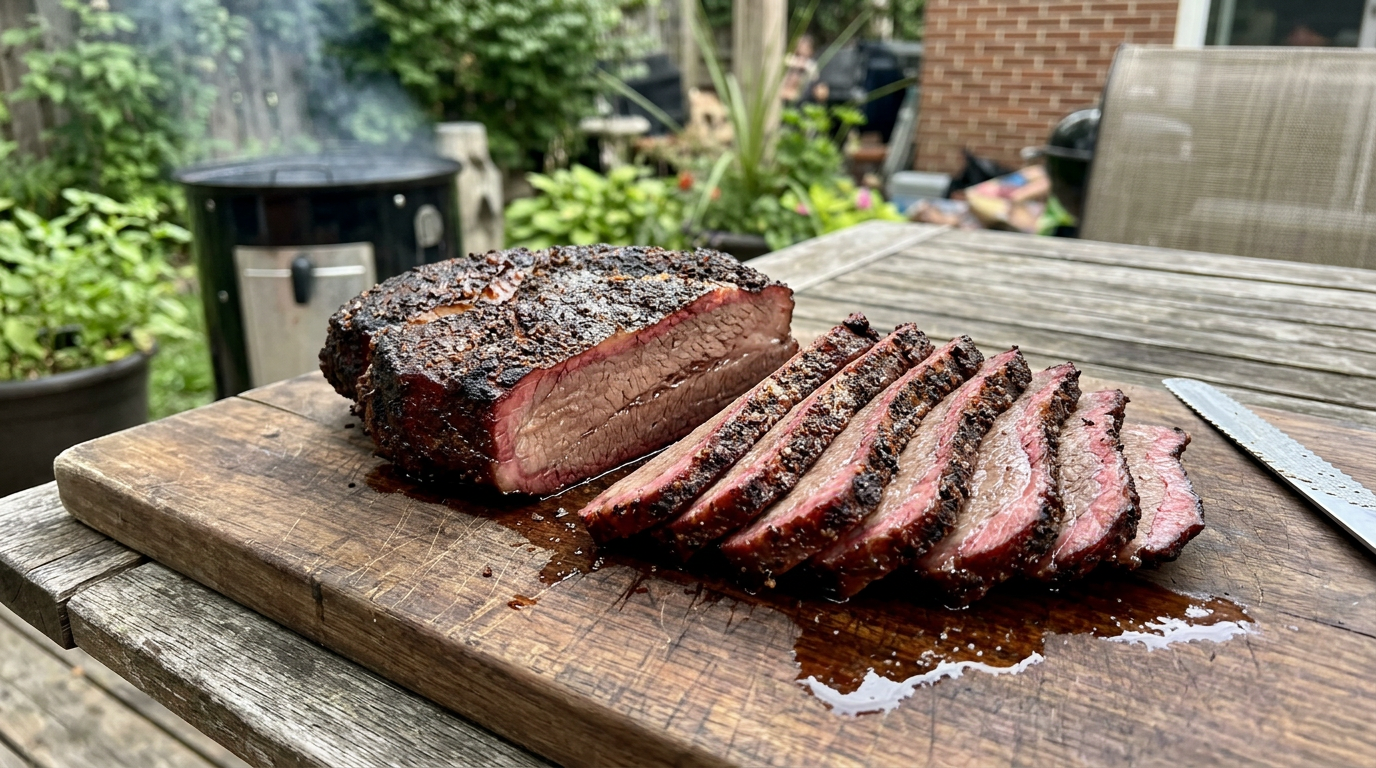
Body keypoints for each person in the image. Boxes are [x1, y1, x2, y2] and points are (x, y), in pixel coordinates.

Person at [781, 35, 818, 103]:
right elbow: (786, 61)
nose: (802, 48)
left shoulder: (811, 64)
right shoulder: (790, 58)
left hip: (801, 92)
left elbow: (814, 77)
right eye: (800, 45)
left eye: (805, 47)